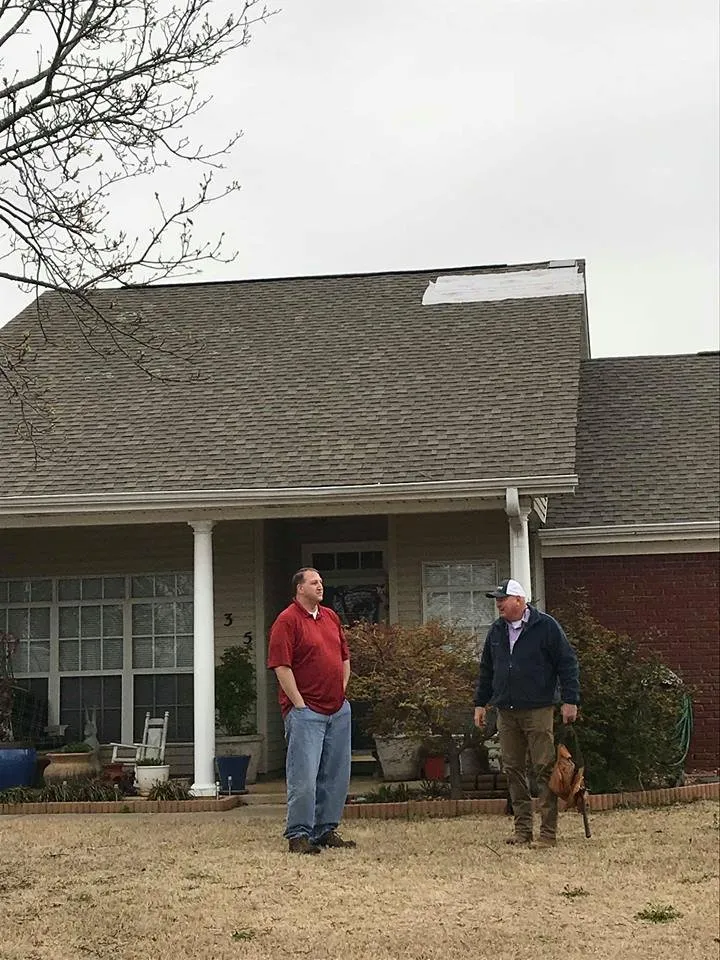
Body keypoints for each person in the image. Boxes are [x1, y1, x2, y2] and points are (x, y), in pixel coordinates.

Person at [473, 578, 579, 848]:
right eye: (496, 600)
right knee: (512, 769)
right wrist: (480, 703)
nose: (498, 604)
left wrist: (570, 700)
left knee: (543, 768)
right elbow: (487, 669)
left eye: (502, 599)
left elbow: (567, 663)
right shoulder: (496, 631)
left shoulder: (546, 627)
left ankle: (547, 833)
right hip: (505, 711)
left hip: (539, 708)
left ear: (519, 601)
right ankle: (522, 831)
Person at [267, 567, 356, 854]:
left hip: (337, 711)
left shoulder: (330, 616)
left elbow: (343, 658)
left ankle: (325, 829)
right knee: (304, 776)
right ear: (299, 588)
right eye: (314, 582)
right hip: (306, 712)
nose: (320, 586)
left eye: (321, 582)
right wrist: (299, 704)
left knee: (336, 775)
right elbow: (281, 666)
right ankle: (299, 834)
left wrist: (341, 694)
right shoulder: (287, 621)